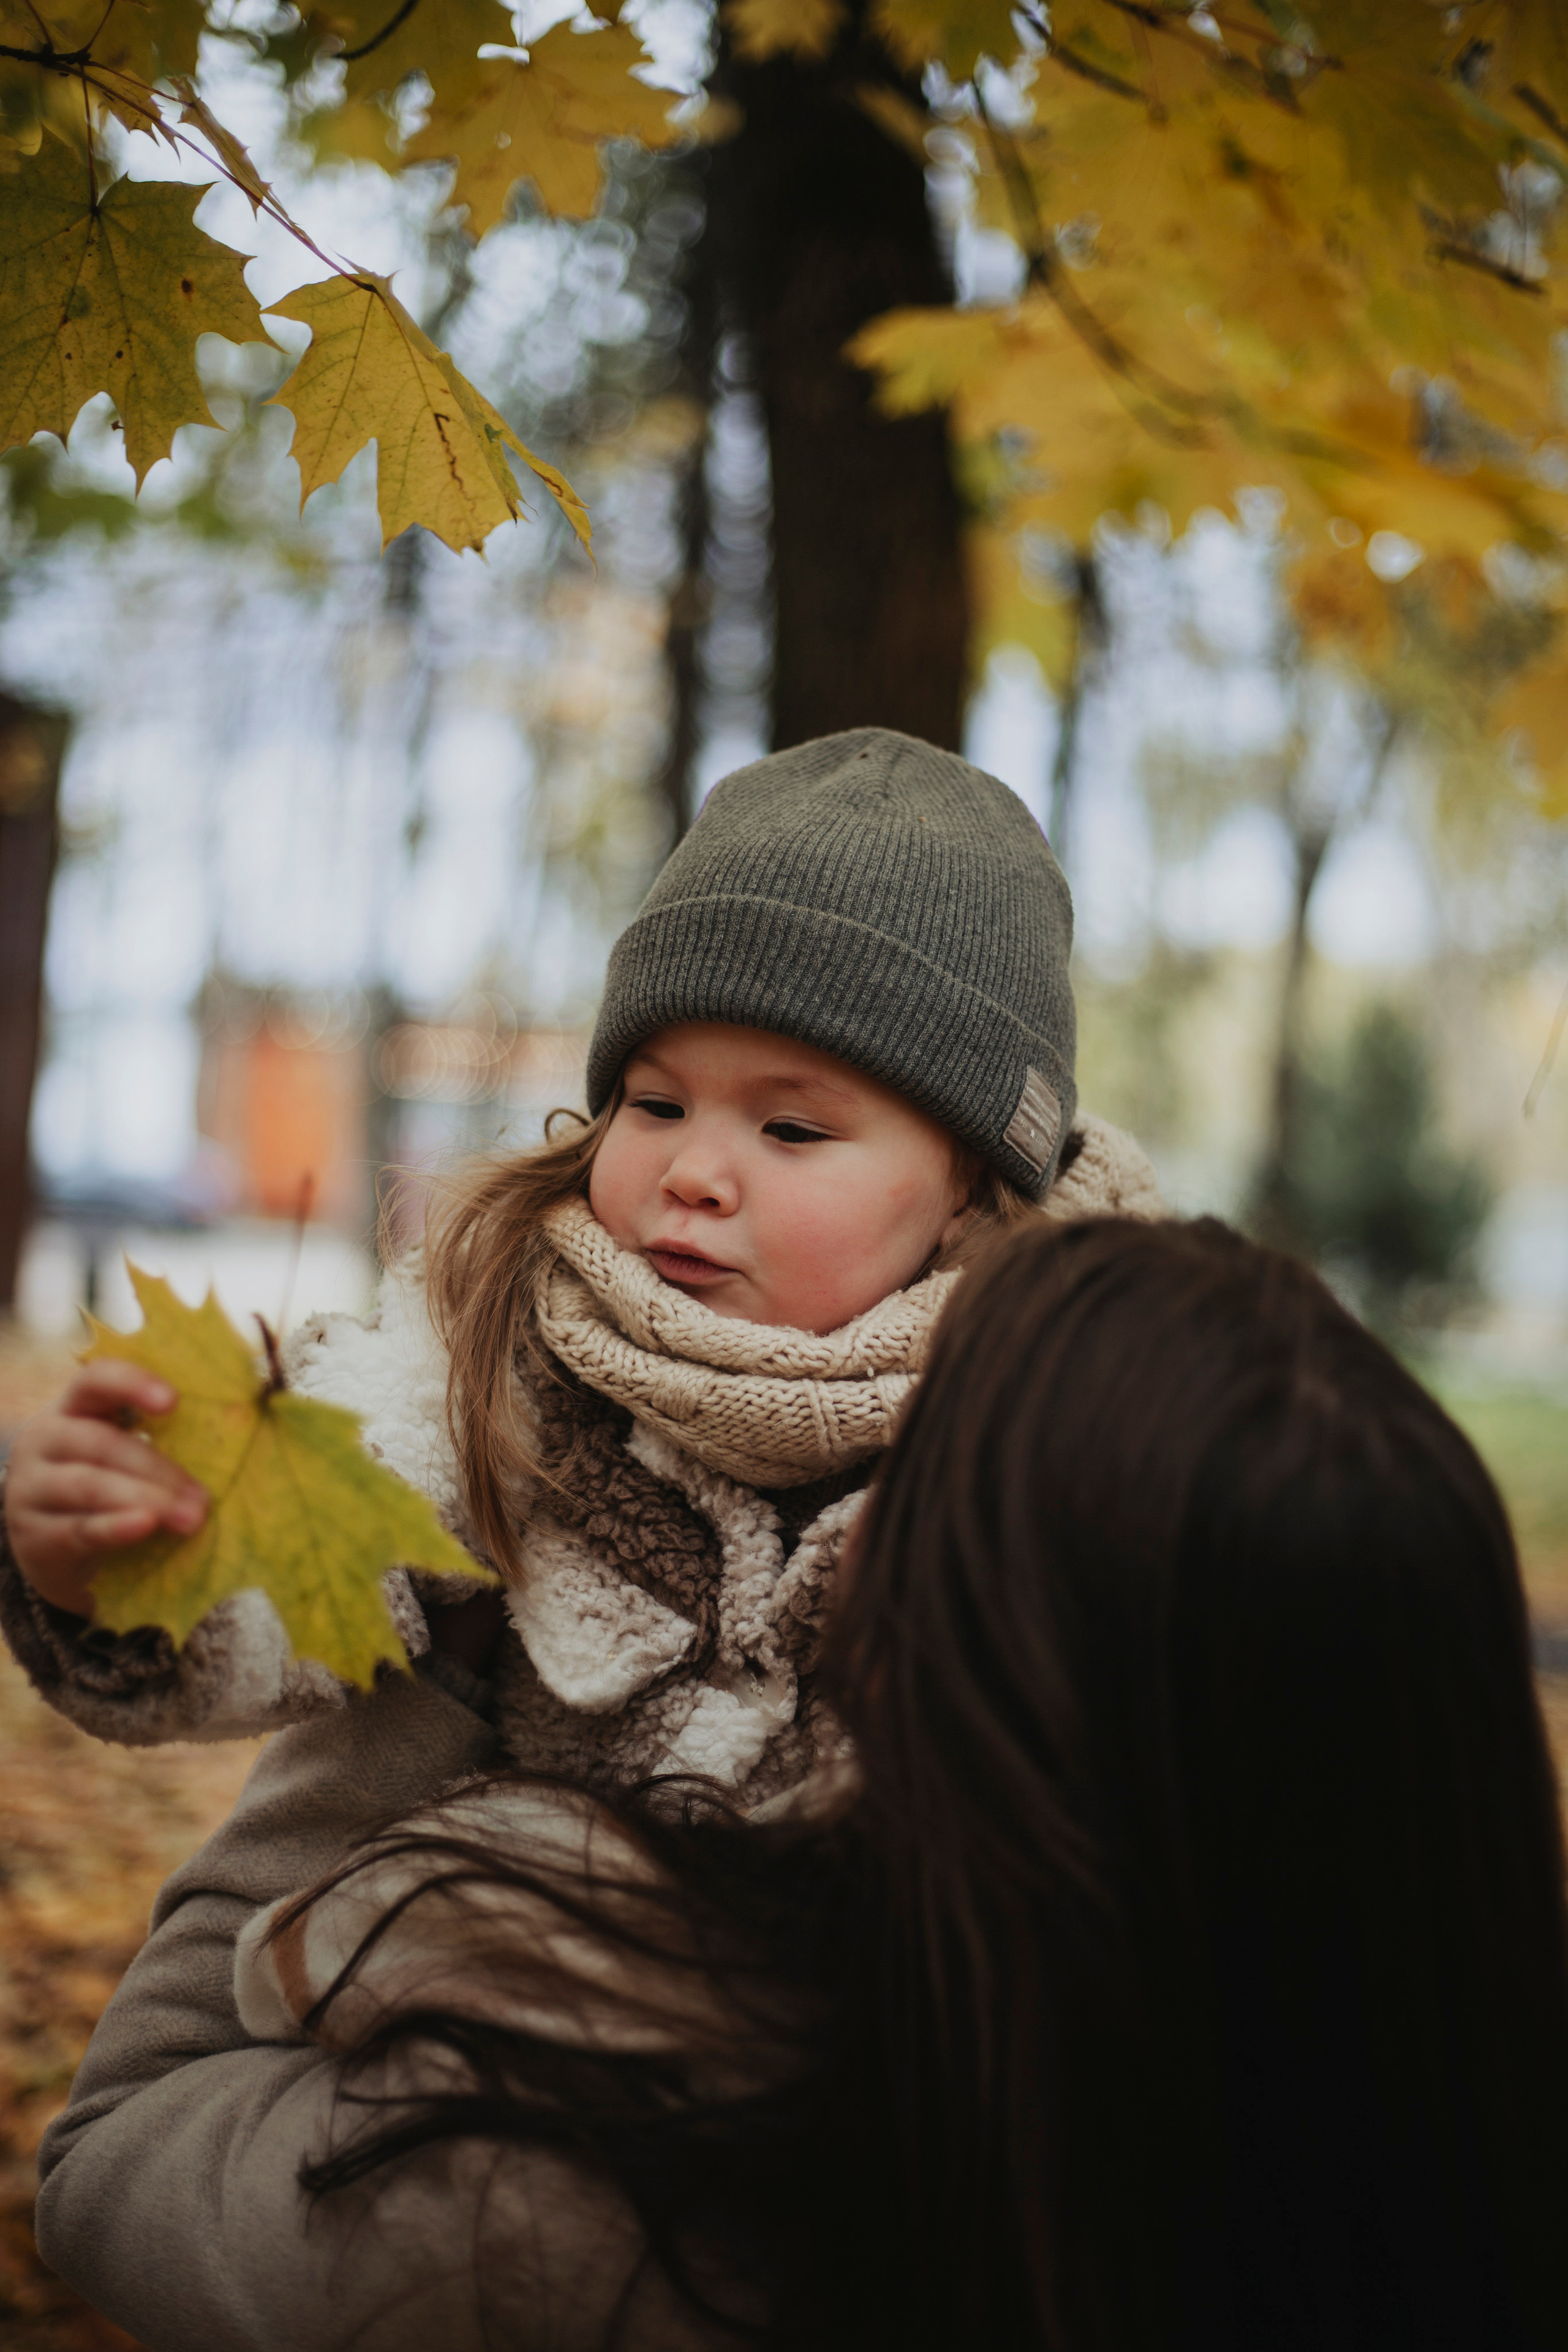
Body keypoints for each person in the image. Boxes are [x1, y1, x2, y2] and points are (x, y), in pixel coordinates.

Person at [34, 1215, 1568, 2352]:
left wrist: (441, 1634)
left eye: (909, 1501)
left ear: (948, 1670)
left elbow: (119, 2160)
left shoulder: (574, 2181)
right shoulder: (1445, 2199)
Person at [0, 727, 1159, 1800]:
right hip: (510, 1955)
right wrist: (129, 1574)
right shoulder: (505, 1336)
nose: (693, 1171)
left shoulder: (1070, 1410)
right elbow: (348, 1519)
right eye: (655, 1103)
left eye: (792, 1130)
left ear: (967, 1185)